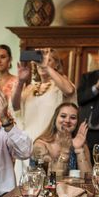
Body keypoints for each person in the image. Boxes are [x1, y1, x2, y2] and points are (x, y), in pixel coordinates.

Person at [12, 48, 76, 178]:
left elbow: (69, 90)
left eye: (49, 59)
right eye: (39, 60)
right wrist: (20, 81)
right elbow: (15, 107)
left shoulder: (59, 86)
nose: (41, 62)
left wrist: (47, 67)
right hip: (28, 145)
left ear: (56, 64)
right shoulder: (30, 88)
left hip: (50, 145)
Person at [33, 102, 91, 177]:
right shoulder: (41, 144)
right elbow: (52, 179)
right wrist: (65, 151)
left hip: (74, 188)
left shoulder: (81, 144)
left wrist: (79, 150)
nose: (67, 120)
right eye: (63, 116)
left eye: (73, 118)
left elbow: (88, 179)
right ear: (55, 119)